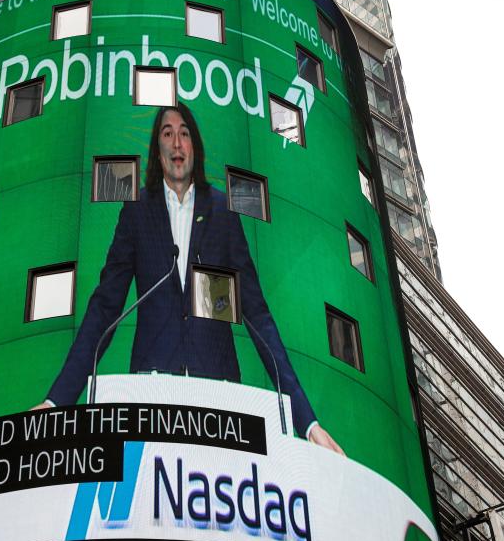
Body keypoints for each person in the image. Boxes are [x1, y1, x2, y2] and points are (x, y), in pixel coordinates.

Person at [34, 103, 342, 453]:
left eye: (185, 134)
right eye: (167, 133)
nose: (177, 142)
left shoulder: (223, 212)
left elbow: (258, 316)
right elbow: (104, 308)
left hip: (220, 405)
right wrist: (57, 402)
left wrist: (307, 421)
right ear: (157, 149)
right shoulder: (136, 211)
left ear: (195, 146)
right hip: (152, 401)